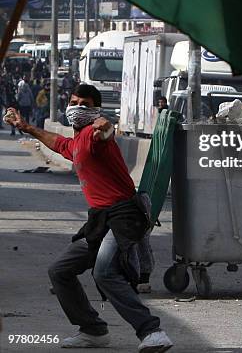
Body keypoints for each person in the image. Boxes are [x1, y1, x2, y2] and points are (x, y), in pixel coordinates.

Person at [6, 83, 172, 351]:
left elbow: (105, 132)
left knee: (105, 272)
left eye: (85, 104)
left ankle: (152, 331)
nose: (77, 108)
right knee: (60, 271)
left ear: (95, 109)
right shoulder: (77, 142)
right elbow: (59, 143)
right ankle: (93, 330)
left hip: (124, 215)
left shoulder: (95, 138)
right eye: (74, 103)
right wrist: (26, 126)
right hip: (100, 220)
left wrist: (104, 126)